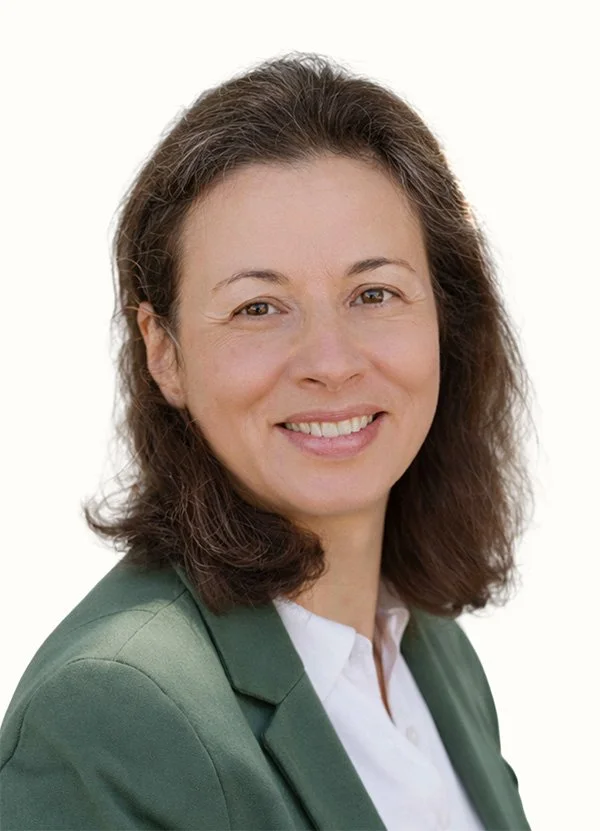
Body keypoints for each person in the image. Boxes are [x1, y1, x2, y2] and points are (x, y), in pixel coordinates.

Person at [0, 52, 535, 830]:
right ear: (164, 350)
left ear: (446, 319)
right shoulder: (107, 716)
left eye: (374, 293)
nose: (330, 362)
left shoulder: (431, 650)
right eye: (258, 307)